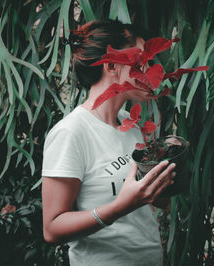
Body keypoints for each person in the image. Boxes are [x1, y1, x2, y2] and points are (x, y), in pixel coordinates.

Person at [41, 19, 176, 266]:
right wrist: (119, 208)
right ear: (113, 65)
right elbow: (52, 228)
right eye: (142, 59)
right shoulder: (71, 133)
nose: (151, 68)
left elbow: (155, 202)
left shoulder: (131, 124)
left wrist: (163, 180)